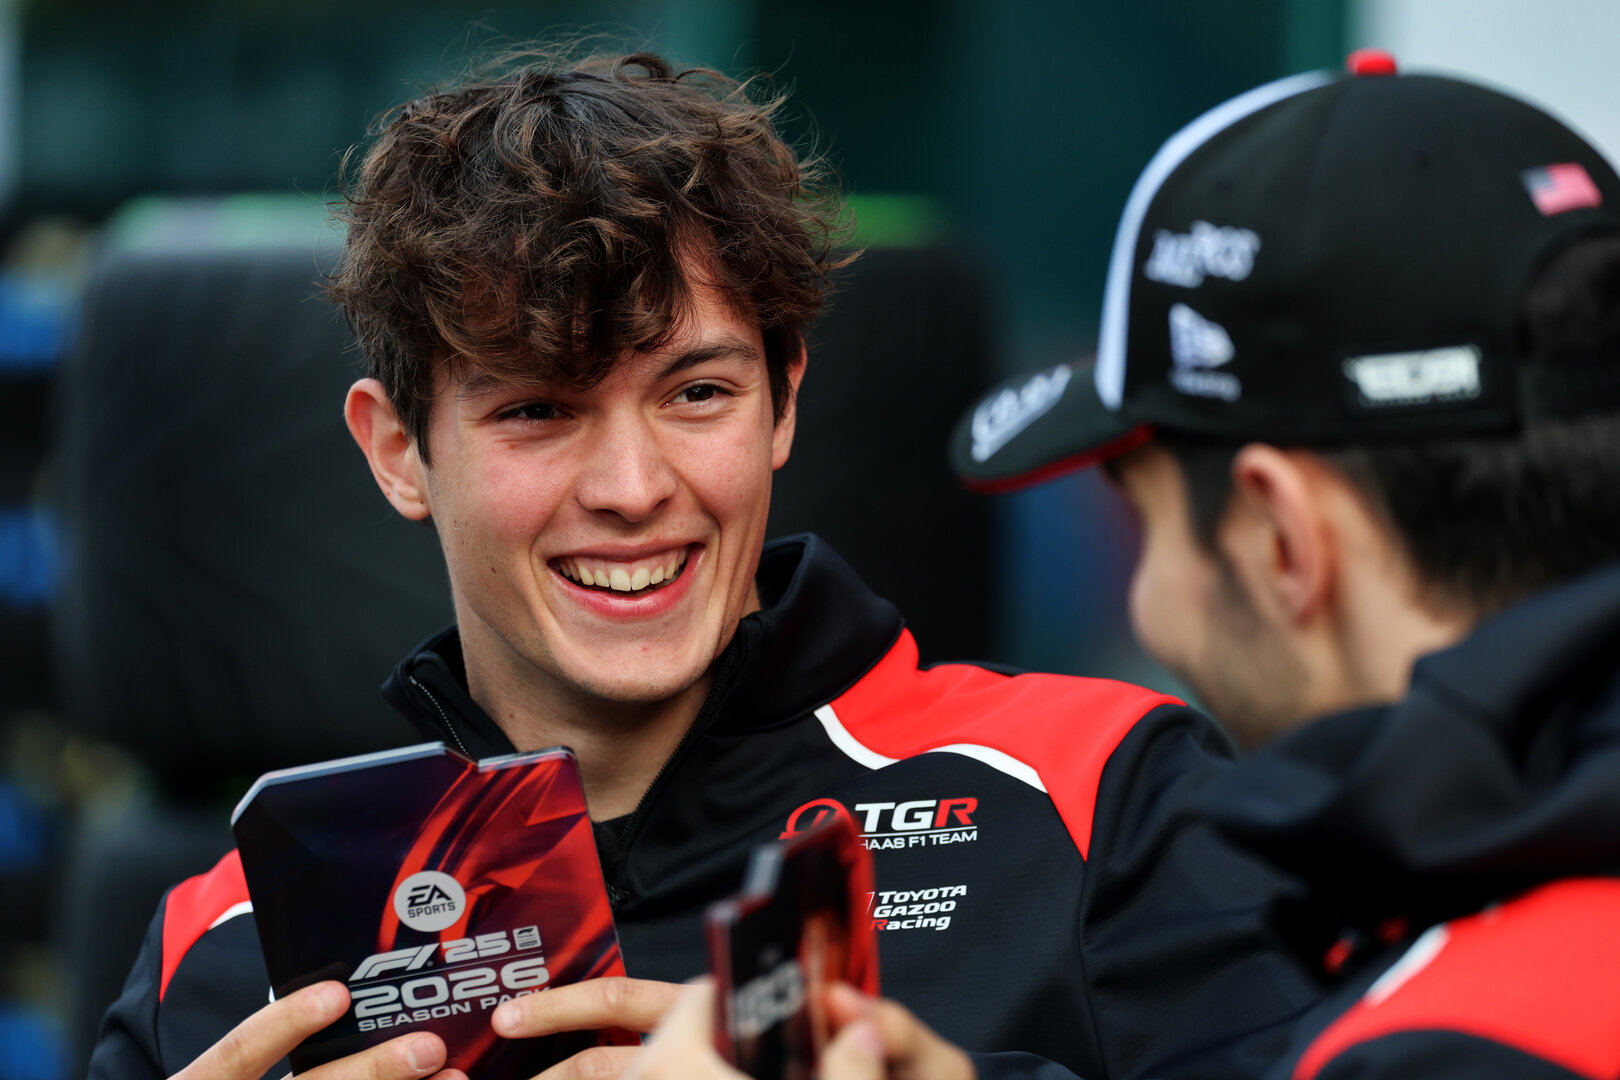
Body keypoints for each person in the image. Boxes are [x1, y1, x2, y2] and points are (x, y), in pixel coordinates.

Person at [87, 46, 1317, 1080]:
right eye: (538, 411)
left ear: (783, 402)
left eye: (697, 391)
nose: (633, 491)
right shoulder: (225, 945)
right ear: (399, 451)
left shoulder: (1102, 798)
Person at [634, 50, 1620, 1080]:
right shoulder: (1464, 934)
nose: (1149, 610)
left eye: (1142, 524)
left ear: (1283, 538)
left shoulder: (1466, 1040)